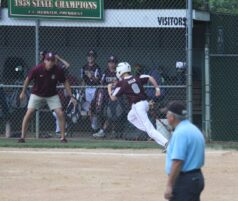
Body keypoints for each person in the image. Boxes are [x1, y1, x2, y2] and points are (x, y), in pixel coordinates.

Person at [18, 52, 77, 143]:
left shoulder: (58, 70)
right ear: (44, 60)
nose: (50, 62)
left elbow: (65, 82)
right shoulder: (37, 69)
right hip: (37, 94)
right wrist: (22, 92)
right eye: (48, 60)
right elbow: (27, 79)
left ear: (54, 62)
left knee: (60, 113)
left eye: (52, 60)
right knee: (29, 113)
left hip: (52, 95)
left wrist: (71, 96)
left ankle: (62, 138)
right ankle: (22, 137)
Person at [107, 62, 168, 148]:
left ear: (121, 71)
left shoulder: (122, 83)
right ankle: (150, 131)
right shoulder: (136, 78)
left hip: (137, 106)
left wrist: (109, 89)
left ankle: (166, 143)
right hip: (145, 103)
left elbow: (113, 98)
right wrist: (157, 89)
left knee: (150, 130)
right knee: (130, 117)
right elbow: (150, 77)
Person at [162, 100, 205, 201]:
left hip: (184, 181)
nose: (166, 117)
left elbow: (177, 161)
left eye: (167, 114)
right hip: (196, 177)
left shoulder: (180, 133)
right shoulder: (193, 129)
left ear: (172, 117)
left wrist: (169, 185)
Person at [93, 55, 118, 138]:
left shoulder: (118, 72)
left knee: (112, 112)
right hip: (106, 95)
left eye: (113, 62)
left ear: (116, 64)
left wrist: (116, 83)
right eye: (110, 62)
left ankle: (111, 131)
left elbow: (121, 83)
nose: (111, 64)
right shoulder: (105, 72)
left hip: (116, 96)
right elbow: (101, 83)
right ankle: (103, 130)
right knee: (104, 113)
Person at [81, 49, 102, 131]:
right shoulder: (84, 67)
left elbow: (98, 80)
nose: (90, 57)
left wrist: (91, 76)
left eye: (92, 56)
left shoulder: (97, 67)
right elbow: (83, 79)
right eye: (89, 56)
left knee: (94, 107)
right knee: (89, 107)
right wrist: (81, 89)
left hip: (94, 88)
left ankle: (95, 126)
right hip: (87, 88)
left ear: (94, 58)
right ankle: (93, 126)